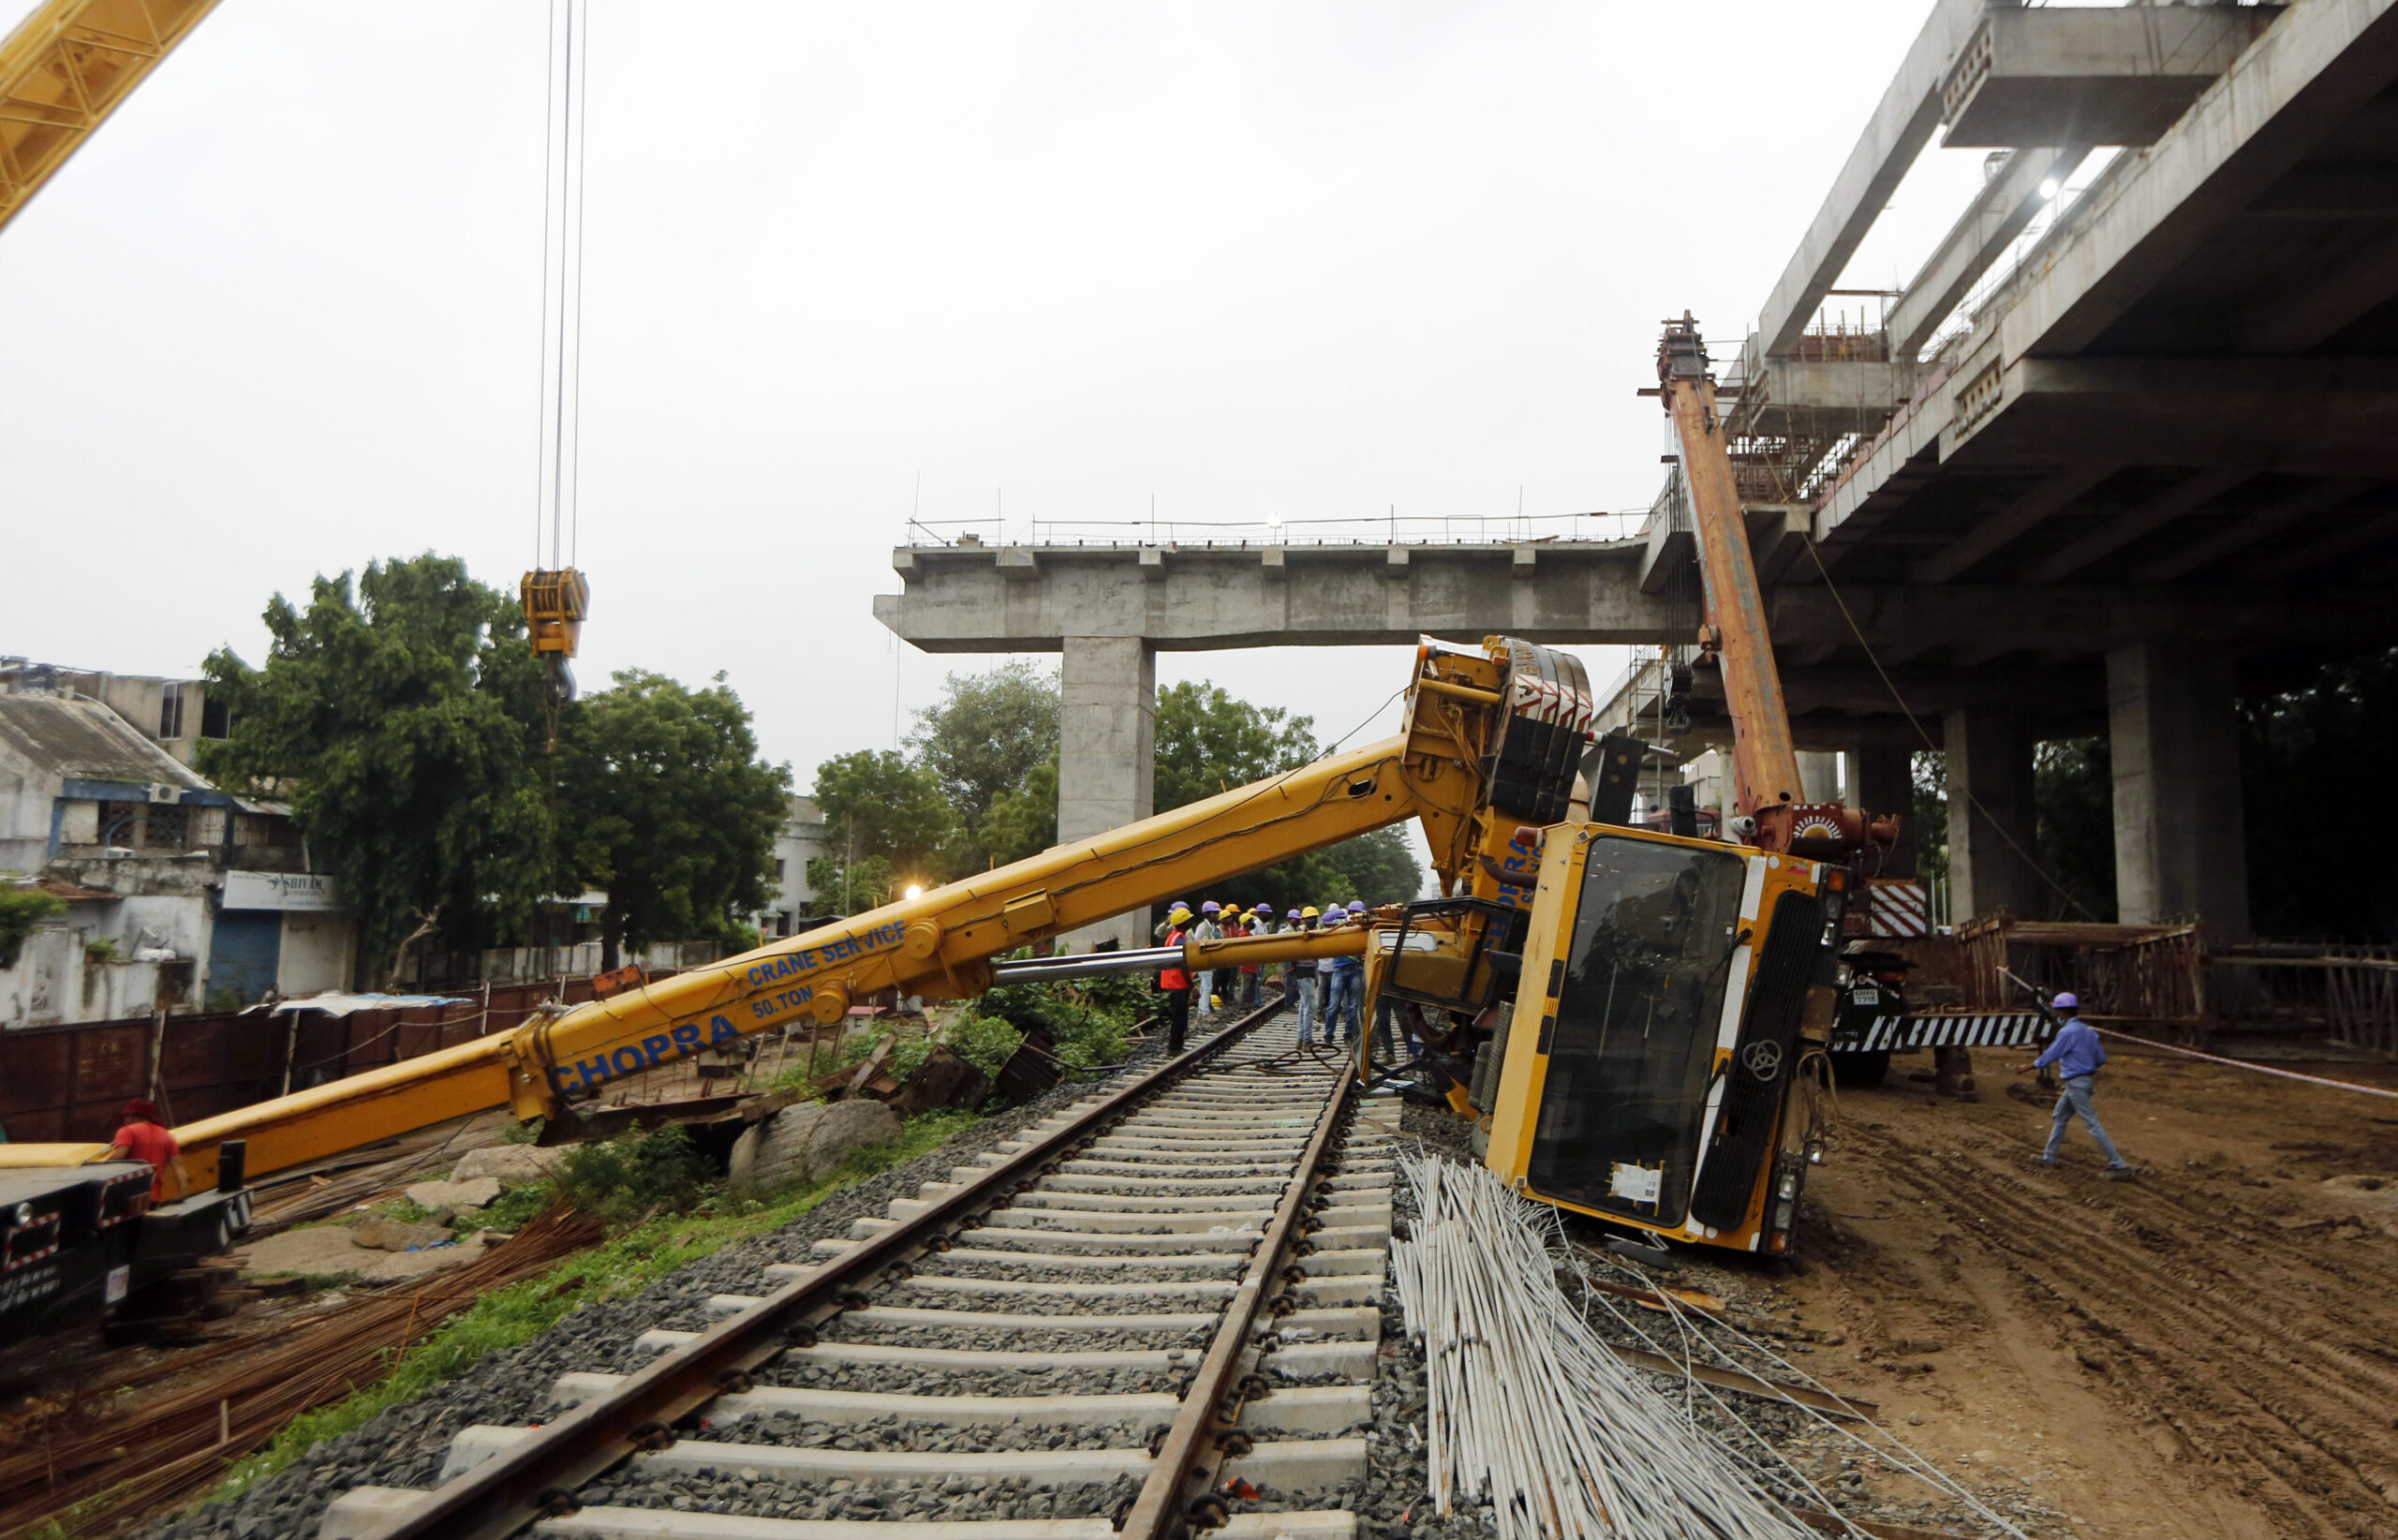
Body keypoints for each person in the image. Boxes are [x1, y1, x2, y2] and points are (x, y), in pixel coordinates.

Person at [2015, 993, 2133, 1179]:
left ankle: (2119, 1165)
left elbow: (2051, 1054)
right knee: (2060, 1115)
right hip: (2082, 1082)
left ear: (2062, 1011)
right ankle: (2049, 1157)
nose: (2054, 1013)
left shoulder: (2067, 1033)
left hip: (2075, 1084)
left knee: (2092, 1123)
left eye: (2056, 1010)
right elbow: (2101, 1058)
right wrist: (2086, 1065)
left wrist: (2028, 1067)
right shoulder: (2088, 1031)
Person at [107, 1098, 183, 1203]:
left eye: (126, 1116)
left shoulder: (127, 1131)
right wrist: (182, 1194)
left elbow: (119, 1155)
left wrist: (99, 1166)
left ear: (132, 1116)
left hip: (128, 1198)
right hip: (154, 1197)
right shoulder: (167, 1135)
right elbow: (179, 1168)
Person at [1159, 905, 1194, 1054]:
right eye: (1188, 920)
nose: (1191, 921)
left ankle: (1177, 1045)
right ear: (1184, 923)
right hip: (1179, 983)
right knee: (1180, 1017)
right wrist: (1191, 984)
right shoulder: (1179, 940)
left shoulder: (1173, 936)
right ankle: (1174, 1047)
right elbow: (1183, 965)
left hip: (1173, 983)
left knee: (1179, 1016)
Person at [1293, 907, 1323, 1044]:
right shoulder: (1300, 933)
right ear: (1304, 920)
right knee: (1309, 1007)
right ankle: (1307, 1040)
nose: (1313, 920)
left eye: (1315, 918)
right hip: (1304, 972)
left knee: (1303, 1006)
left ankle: (1300, 1038)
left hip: (1309, 972)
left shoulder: (1315, 933)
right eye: (1310, 918)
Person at [1192, 901, 1224, 1012]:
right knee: (1206, 988)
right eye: (1216, 913)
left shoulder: (1212, 927)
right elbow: (1195, 943)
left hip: (1209, 961)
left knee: (1205, 987)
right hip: (1204, 961)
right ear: (1210, 914)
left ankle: (1202, 1010)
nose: (1217, 915)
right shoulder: (1202, 927)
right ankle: (1204, 1012)